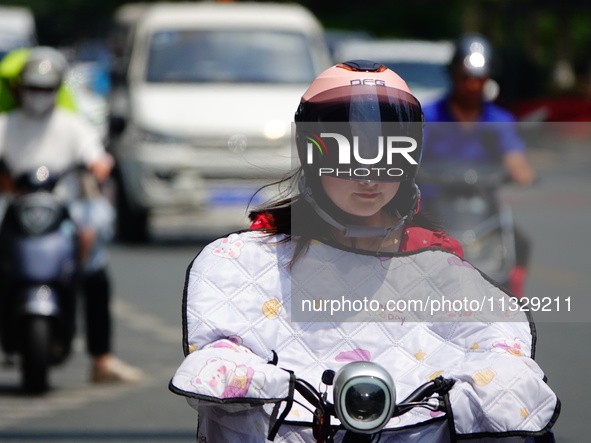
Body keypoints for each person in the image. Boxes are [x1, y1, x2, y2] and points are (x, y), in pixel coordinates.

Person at [169, 60, 559, 442]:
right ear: (312, 150)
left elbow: (494, 341)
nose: (369, 171)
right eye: (347, 149)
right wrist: (238, 370)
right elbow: (221, 344)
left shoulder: (437, 259)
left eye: (389, 149)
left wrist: (500, 376)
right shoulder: (244, 259)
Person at [0, 46, 142, 384]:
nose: (39, 95)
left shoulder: (73, 125)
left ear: (58, 88)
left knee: (95, 252)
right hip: (13, 207)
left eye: (46, 88)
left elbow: (97, 157)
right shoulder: (6, 125)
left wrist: (100, 166)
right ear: (19, 89)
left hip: (64, 210)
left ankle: (101, 358)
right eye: (33, 88)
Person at [420, 33, 535, 297]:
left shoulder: (499, 119)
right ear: (452, 76)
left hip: (483, 212)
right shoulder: (429, 115)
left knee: (521, 243)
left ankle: (513, 301)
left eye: (479, 78)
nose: (472, 85)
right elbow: (410, 155)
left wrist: (521, 172)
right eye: (465, 77)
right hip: (432, 212)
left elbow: (515, 157)